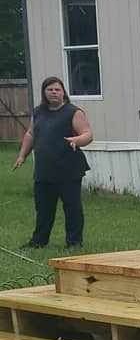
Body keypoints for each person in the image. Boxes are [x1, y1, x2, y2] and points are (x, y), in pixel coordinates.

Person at [12, 76, 93, 249]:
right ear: (44, 92)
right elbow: (31, 134)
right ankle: (39, 242)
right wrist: (22, 156)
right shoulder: (38, 111)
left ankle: (74, 243)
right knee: (43, 209)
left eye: (57, 89)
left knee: (72, 208)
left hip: (68, 169)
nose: (54, 92)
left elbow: (87, 134)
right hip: (44, 170)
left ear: (63, 92)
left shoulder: (73, 112)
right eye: (50, 90)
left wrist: (77, 140)